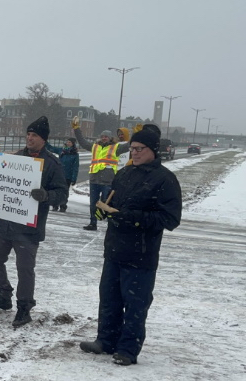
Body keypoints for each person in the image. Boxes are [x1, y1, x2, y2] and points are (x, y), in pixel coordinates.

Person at [79, 128, 182, 366]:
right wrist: (101, 210)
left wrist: (133, 217)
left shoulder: (164, 180)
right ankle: (105, 340)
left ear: (152, 151)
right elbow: (112, 202)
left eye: (139, 149)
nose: (134, 153)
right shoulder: (123, 174)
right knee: (109, 299)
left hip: (141, 253)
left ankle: (127, 349)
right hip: (114, 249)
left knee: (135, 303)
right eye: (132, 148)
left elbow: (170, 219)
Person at [0, 116, 68, 327]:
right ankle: (3, 295)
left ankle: (24, 308)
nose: (29, 138)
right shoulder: (15, 158)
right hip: (4, 223)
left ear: (43, 139)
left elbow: (62, 194)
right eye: (28, 134)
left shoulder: (52, 164)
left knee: (25, 269)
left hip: (28, 228)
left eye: (34, 135)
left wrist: (46, 195)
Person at [72, 116, 129, 231]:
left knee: (106, 204)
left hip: (107, 181)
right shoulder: (95, 147)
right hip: (94, 180)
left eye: (106, 137)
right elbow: (82, 142)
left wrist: (138, 134)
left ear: (110, 138)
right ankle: (93, 223)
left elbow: (129, 146)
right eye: (102, 136)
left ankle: (110, 224)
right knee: (93, 203)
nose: (104, 138)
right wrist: (76, 129)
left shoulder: (116, 148)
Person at [45, 137, 79, 212]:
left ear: (73, 144)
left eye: (70, 142)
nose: (68, 143)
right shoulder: (62, 151)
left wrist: (74, 178)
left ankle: (63, 205)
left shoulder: (75, 154)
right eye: (67, 142)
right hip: (59, 174)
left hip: (68, 176)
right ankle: (55, 205)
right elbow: (52, 149)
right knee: (56, 189)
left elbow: (75, 167)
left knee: (64, 191)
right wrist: (45, 142)